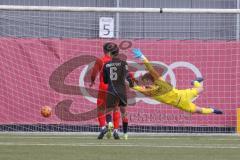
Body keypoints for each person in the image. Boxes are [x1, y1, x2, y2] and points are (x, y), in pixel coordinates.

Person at [131, 48, 223, 115]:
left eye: (147, 80)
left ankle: (195, 81)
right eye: (145, 82)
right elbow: (135, 86)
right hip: (181, 104)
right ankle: (212, 110)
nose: (145, 83)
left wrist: (142, 57)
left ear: (151, 80)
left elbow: (150, 69)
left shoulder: (159, 81)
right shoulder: (150, 92)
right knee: (198, 111)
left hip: (183, 94)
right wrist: (126, 81)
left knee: (201, 88)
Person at [103, 43, 134, 140]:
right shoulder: (124, 63)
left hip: (111, 90)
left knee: (108, 111)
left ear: (110, 54)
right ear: (118, 53)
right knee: (123, 112)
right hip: (121, 91)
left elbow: (105, 81)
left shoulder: (106, 65)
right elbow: (127, 76)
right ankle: (125, 134)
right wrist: (131, 84)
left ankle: (110, 123)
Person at [90, 42, 120, 139]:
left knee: (101, 108)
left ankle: (103, 127)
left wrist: (92, 81)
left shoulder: (100, 60)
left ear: (104, 50)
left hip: (104, 86)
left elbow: (94, 73)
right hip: (115, 87)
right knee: (115, 108)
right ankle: (116, 130)